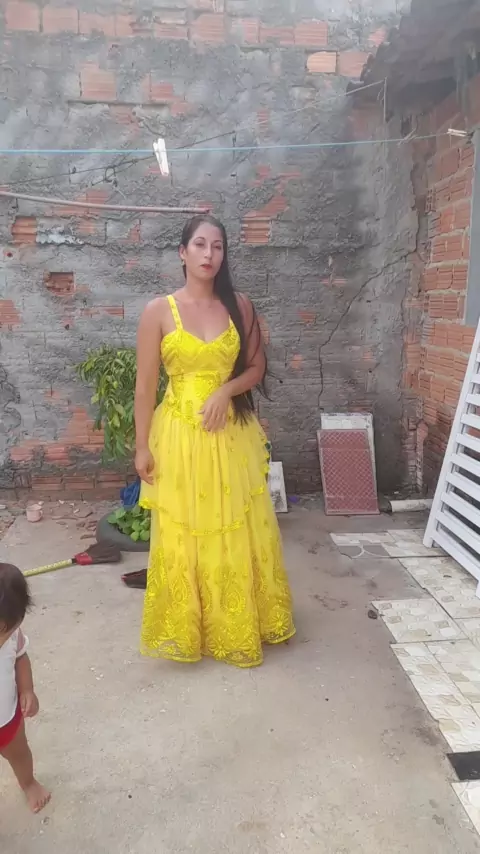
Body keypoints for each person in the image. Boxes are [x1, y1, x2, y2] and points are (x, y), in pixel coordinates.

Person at [134, 214, 295, 668]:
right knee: (184, 532)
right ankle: (188, 627)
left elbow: (256, 368)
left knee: (236, 528)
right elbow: (144, 387)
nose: (209, 254)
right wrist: (142, 446)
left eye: (218, 246)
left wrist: (226, 391)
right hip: (178, 438)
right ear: (182, 253)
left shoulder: (239, 306)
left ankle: (235, 623)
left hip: (230, 437)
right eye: (200, 245)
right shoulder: (158, 311)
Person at [0, 562, 50, 813]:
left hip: (7, 718)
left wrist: (27, 689)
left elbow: (20, 658)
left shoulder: (13, 637)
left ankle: (28, 783)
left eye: (4, 631)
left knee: (20, 754)